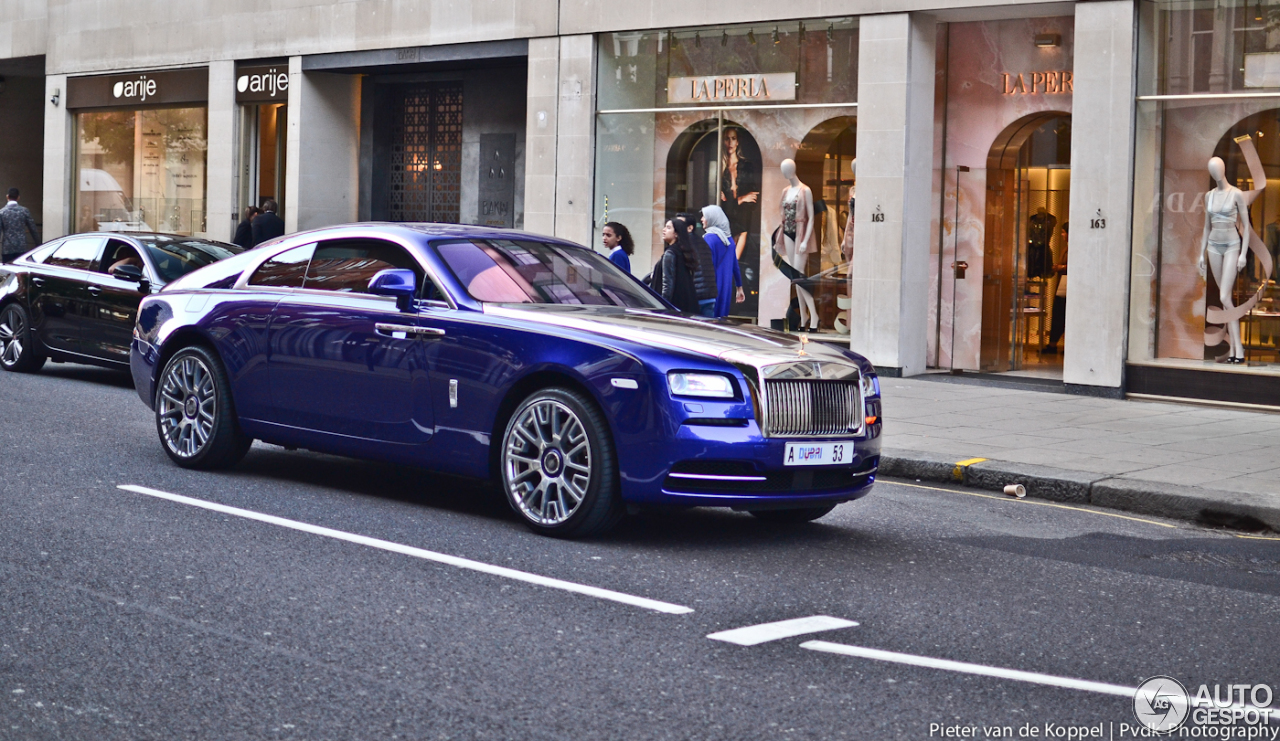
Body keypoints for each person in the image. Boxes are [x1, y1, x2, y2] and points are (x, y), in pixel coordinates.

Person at [719, 127, 760, 260]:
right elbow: (719, 201)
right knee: (725, 257)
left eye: (733, 138)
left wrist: (735, 201)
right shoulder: (720, 167)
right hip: (726, 216)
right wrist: (741, 199)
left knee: (735, 259)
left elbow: (753, 198)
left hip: (742, 217)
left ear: (737, 142)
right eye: (727, 139)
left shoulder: (746, 165)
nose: (730, 142)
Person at [701, 205, 744, 318]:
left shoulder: (709, 238)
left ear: (712, 218)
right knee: (721, 320)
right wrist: (739, 287)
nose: (702, 219)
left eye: (704, 216)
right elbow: (735, 265)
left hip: (711, 286)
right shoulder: (728, 239)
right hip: (726, 286)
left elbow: (707, 266)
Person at [678, 211, 718, 317]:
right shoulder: (702, 242)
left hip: (695, 297)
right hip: (709, 295)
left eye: (680, 225)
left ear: (690, 228)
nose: (676, 227)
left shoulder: (684, 244)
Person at [656, 218, 699, 314]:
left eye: (668, 228)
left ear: (676, 234)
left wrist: (663, 306)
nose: (664, 230)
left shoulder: (670, 253)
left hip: (673, 306)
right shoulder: (684, 252)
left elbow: (667, 283)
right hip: (686, 304)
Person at [1044, 222, 1068, 355]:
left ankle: (1059, 344)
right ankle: (1053, 344)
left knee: (1063, 315)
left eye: (1064, 232)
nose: (1062, 235)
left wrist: (1061, 268)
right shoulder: (1066, 248)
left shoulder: (1073, 249)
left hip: (1067, 287)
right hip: (1062, 286)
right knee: (1058, 315)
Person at [0, 188, 40, 264]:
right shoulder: (24, 211)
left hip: (7, 248)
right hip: (22, 247)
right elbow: (33, 229)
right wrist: (38, 244)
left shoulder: (2, 212)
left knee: (8, 272)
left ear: (7, 196)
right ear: (18, 197)